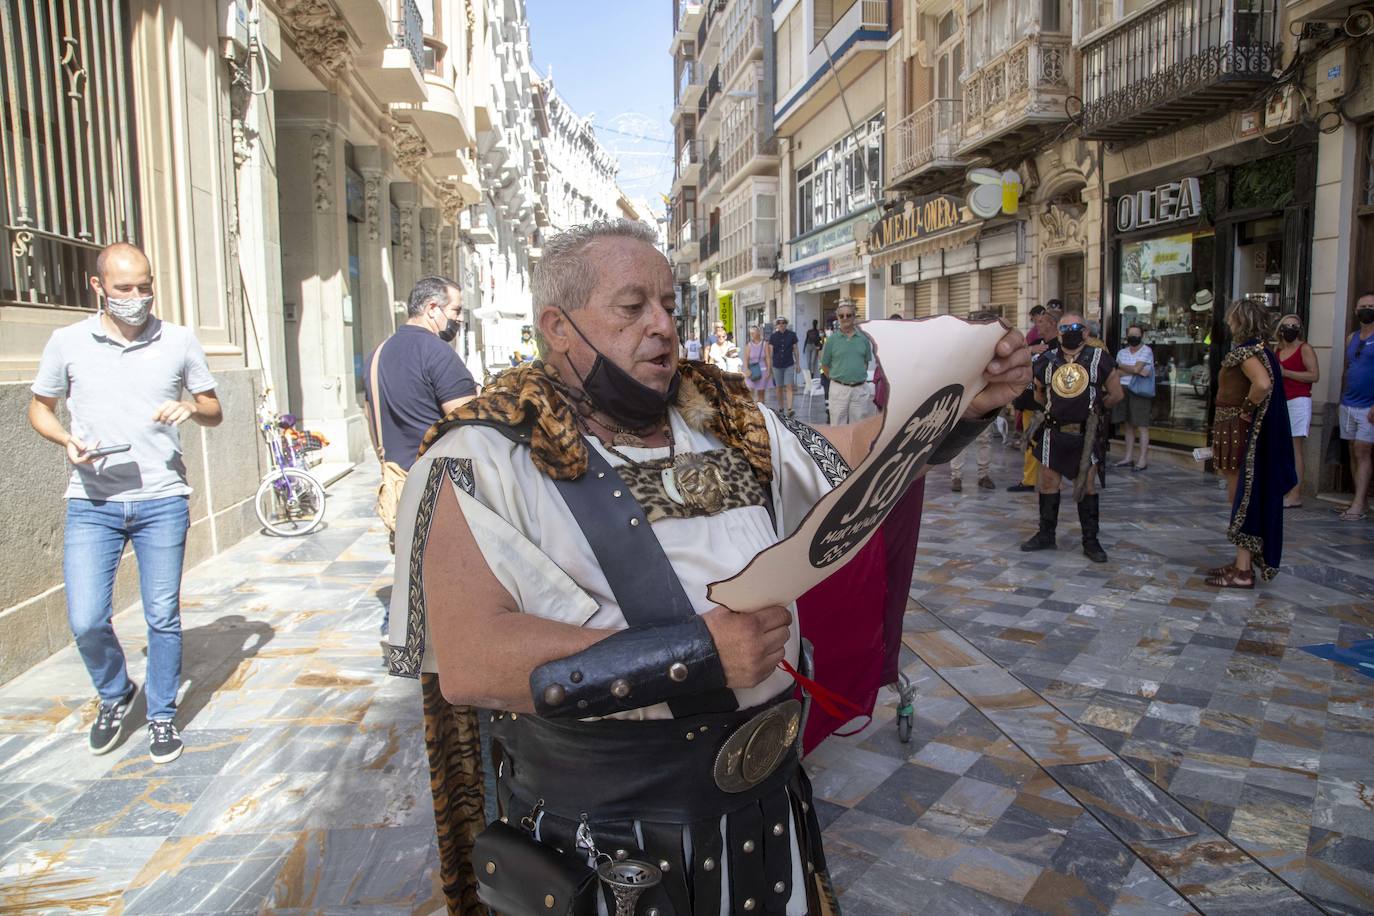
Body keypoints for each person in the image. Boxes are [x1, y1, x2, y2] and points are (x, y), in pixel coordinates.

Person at [386, 219, 1030, 913]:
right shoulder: (476, 458)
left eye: (668, 304)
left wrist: (962, 402)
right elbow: (473, 660)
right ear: (558, 326)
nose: (663, 325)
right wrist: (697, 653)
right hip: (609, 846)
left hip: (765, 817)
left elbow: (856, 450)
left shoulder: (725, 420)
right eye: (633, 308)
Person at [27, 242, 223, 765]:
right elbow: (40, 409)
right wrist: (66, 441)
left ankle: (161, 715)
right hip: (92, 502)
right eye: (124, 289)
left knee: (162, 616)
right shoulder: (67, 342)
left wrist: (188, 406)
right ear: (98, 287)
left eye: (144, 286)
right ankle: (116, 693)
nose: (137, 298)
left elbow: (213, 408)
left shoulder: (179, 340)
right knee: (87, 618)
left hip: (162, 499)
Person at [1205, 299, 1296, 588]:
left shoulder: (1247, 353)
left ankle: (1243, 570)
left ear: (1240, 321)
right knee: (1242, 495)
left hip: (1239, 431)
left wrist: (1245, 410)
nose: (1228, 323)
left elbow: (1262, 385)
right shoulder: (1261, 351)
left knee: (1243, 496)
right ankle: (1241, 562)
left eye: (1232, 318)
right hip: (1236, 430)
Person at [1021, 311, 1123, 562]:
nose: (1071, 331)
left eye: (1076, 326)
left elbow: (1116, 393)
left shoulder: (1099, 358)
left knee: (1085, 486)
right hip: (1053, 432)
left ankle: (1091, 541)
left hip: (1085, 434)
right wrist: (1056, 409)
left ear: (1086, 332)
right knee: (1047, 482)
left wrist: (1095, 410)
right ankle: (1046, 534)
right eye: (1065, 328)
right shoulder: (1046, 359)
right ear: (1059, 333)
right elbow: (1038, 393)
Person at [1009, 304, 1060, 492]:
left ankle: (1038, 479)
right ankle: (1030, 479)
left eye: (1041, 322)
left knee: (1041, 442)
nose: (1036, 325)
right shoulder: (1036, 345)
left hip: (1043, 404)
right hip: (1029, 402)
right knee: (1030, 441)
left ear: (1053, 324)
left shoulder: (1058, 349)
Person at [1274, 314, 1319, 509]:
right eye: (1287, 325)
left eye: (1295, 325)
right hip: (1280, 401)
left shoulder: (1305, 348)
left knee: (1295, 448)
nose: (1291, 328)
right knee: (1280, 447)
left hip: (1298, 400)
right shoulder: (1277, 349)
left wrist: (1287, 373)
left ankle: (1295, 494)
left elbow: (1314, 375)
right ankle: (1282, 487)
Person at [1337, 294, 1374, 520]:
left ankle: (1359, 503)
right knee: (1352, 449)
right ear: (1355, 310)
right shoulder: (1351, 338)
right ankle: (1360, 499)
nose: (1367, 310)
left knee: (1362, 449)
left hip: (1368, 406)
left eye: (1371, 307)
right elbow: (1348, 367)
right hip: (1348, 403)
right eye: (1363, 306)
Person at [819, 300, 873, 424]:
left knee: (858, 428)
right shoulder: (831, 340)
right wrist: (836, 378)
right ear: (837, 318)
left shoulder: (863, 339)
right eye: (841, 316)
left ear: (854, 317)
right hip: (839, 389)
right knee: (838, 427)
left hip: (859, 390)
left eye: (849, 315)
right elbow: (824, 365)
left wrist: (855, 376)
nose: (845, 318)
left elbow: (865, 363)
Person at [1113, 323, 1155, 471]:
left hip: (1139, 390)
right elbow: (1117, 372)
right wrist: (1135, 370)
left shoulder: (1146, 351)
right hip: (1123, 389)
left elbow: (1141, 370)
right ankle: (1128, 457)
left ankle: (1143, 460)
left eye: (1136, 335)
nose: (1133, 338)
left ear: (1141, 336)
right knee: (1128, 425)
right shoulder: (1122, 352)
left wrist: (1124, 367)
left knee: (1142, 425)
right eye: (1131, 335)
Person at [769, 316, 801, 418]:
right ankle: (781, 407)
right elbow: (770, 353)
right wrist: (769, 367)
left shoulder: (792, 335)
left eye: (783, 323)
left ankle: (790, 408)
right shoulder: (773, 336)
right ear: (777, 325)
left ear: (786, 324)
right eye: (779, 323)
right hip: (777, 365)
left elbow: (795, 349)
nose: (781, 324)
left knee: (789, 386)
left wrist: (798, 363)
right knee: (779, 387)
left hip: (789, 364)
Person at [743, 324, 773, 404]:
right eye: (751, 333)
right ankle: (752, 410)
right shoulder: (748, 345)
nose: (752, 335)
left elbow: (768, 357)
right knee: (750, 391)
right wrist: (746, 369)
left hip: (762, 370)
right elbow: (746, 359)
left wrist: (769, 370)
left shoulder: (764, 344)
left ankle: (761, 411)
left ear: (758, 333)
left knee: (761, 394)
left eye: (753, 333)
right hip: (752, 371)